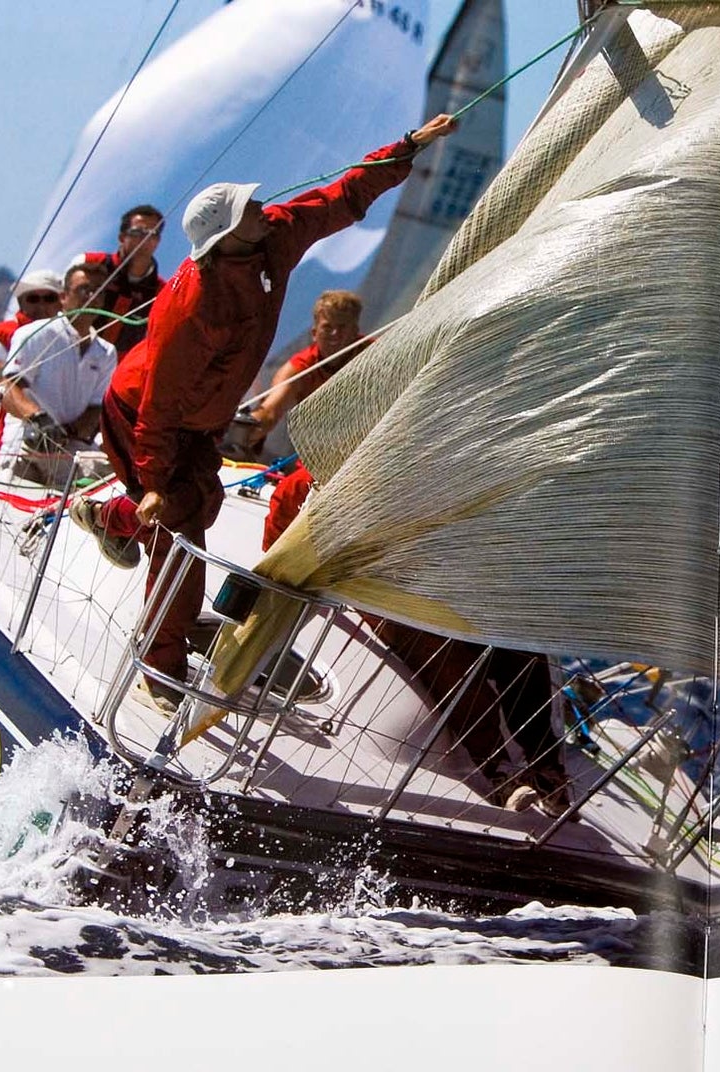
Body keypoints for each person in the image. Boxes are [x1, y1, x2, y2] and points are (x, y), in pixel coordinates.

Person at [69, 113, 459, 709]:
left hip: (199, 418)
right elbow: (158, 404)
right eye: (248, 207)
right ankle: (160, 663)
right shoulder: (191, 302)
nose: (262, 206)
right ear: (227, 234)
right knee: (179, 529)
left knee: (201, 505)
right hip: (144, 412)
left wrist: (407, 148)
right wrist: (153, 481)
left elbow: (340, 198)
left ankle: (111, 518)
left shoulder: (272, 234)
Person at [260, 461, 575, 816]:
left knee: (519, 651)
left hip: (430, 585)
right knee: (445, 660)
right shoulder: (301, 487)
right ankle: (499, 772)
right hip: (371, 592)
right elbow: (276, 553)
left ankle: (546, 766)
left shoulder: (415, 479)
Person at [0, 263, 117, 490]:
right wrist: (39, 419)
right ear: (63, 296)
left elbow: (96, 407)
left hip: (69, 454)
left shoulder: (106, 352)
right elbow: (9, 389)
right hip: (25, 448)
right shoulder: (37, 333)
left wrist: (66, 433)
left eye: (99, 291)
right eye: (84, 289)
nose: (92, 296)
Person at [231, 290, 368, 457]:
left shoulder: (376, 356)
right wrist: (242, 430)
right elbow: (270, 412)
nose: (335, 334)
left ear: (355, 331)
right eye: (327, 327)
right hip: (320, 455)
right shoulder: (299, 368)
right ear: (314, 333)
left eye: (342, 327)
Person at [0, 269, 66, 394]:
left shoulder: (72, 334)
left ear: (61, 302)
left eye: (49, 298)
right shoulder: (2, 333)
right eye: (33, 299)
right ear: (21, 302)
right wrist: (21, 369)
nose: (41, 305)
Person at [80, 205, 167, 352]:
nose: (145, 238)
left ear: (158, 240)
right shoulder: (89, 263)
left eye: (153, 233)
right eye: (138, 232)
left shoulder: (162, 292)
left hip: (123, 364)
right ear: (122, 237)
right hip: (73, 354)